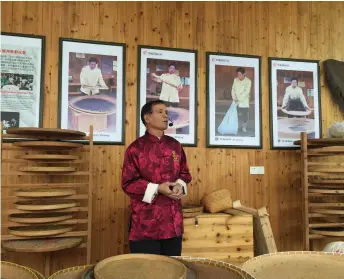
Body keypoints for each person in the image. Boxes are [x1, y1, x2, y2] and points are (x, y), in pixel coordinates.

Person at [121, 100, 192, 256]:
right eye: (160, 112)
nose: (165, 115)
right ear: (147, 118)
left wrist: (180, 185)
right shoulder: (135, 149)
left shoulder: (176, 146)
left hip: (173, 224)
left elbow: (185, 174)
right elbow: (128, 183)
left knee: (173, 270)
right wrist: (158, 188)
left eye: (166, 112)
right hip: (145, 226)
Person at [231, 67, 252, 132]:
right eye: (238, 75)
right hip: (235, 100)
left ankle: (244, 127)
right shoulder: (235, 80)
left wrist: (239, 99)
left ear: (244, 74)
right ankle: (234, 126)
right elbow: (233, 89)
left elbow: (247, 92)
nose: (239, 76)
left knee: (244, 115)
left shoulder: (248, 81)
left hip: (244, 101)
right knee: (234, 114)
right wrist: (234, 97)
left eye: (240, 74)